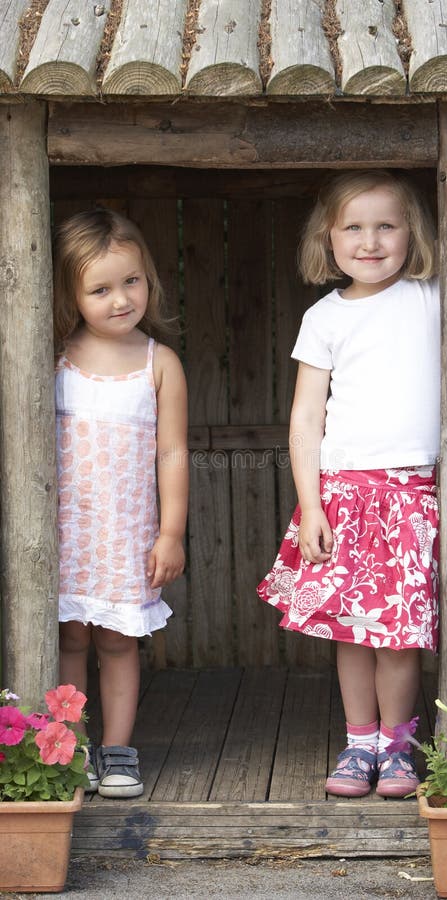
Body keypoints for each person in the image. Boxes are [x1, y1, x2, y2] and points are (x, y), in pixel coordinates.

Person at [258, 170, 439, 799]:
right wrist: (311, 506)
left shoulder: (433, 297)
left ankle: (398, 746)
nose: (370, 241)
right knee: (350, 629)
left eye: (386, 225)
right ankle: (360, 742)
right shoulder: (325, 317)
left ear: (412, 233)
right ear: (328, 239)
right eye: (353, 227)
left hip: (413, 493)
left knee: (398, 632)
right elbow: (306, 417)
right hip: (342, 495)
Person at [53, 208, 188, 799]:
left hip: (126, 533)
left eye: (130, 282)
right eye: (100, 289)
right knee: (69, 639)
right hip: (61, 532)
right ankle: (68, 744)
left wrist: (171, 533)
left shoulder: (159, 364)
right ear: (71, 293)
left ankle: (118, 752)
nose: (119, 299)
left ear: (149, 279)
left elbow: (173, 454)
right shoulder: (52, 357)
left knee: (117, 641)